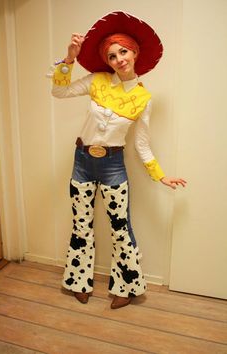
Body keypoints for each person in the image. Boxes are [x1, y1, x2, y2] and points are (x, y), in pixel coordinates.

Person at [49, 11, 186, 309]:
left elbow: (141, 144)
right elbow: (58, 91)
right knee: (80, 224)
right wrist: (69, 57)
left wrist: (160, 175)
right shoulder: (97, 81)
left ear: (135, 53)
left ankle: (126, 287)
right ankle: (78, 281)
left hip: (113, 165)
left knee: (120, 226)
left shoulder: (143, 98)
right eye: (112, 55)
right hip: (82, 160)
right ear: (107, 61)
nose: (119, 59)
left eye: (123, 51)